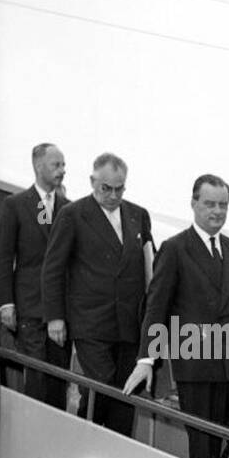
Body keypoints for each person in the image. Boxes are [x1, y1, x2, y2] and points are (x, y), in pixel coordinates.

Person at [125, 175, 229, 458]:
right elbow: (156, 308)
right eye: (209, 204)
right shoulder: (174, 249)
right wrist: (146, 359)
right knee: (203, 448)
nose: (217, 211)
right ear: (194, 204)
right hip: (195, 364)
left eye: (223, 205)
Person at [42, 151, 153, 435]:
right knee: (100, 385)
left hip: (129, 322)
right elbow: (53, 268)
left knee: (127, 391)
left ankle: (117, 447)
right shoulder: (72, 215)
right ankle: (84, 437)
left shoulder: (138, 216)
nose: (113, 195)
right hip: (91, 321)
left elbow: (149, 266)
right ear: (93, 181)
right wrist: (55, 316)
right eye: (106, 188)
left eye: (119, 188)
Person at [0, 142, 70, 406]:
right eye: (56, 164)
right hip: (29, 305)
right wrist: (6, 303)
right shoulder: (15, 205)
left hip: (60, 310)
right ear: (39, 166)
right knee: (37, 380)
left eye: (63, 165)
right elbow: (4, 257)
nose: (62, 170)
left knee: (58, 380)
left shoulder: (68, 208)